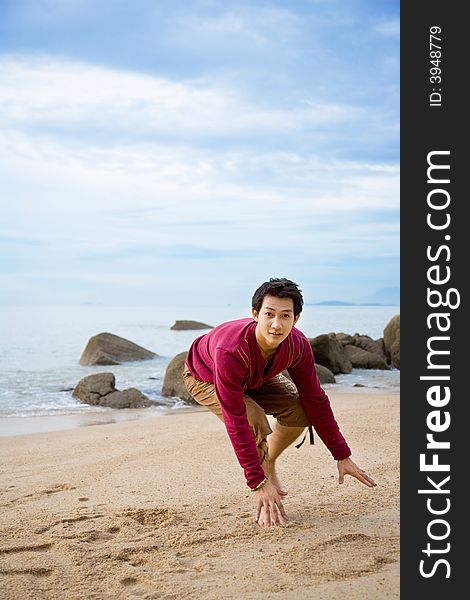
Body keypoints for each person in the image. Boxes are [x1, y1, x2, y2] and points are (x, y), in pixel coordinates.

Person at [183, 278, 376, 528]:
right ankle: (265, 497)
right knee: (253, 419)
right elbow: (236, 419)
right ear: (255, 314)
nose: (276, 324)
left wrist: (342, 455)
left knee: (300, 410)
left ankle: (269, 459)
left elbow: (315, 398)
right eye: (269, 314)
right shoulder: (231, 350)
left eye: (285, 316)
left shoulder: (297, 345)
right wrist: (257, 482)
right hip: (204, 376)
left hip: (257, 375)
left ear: (296, 318)